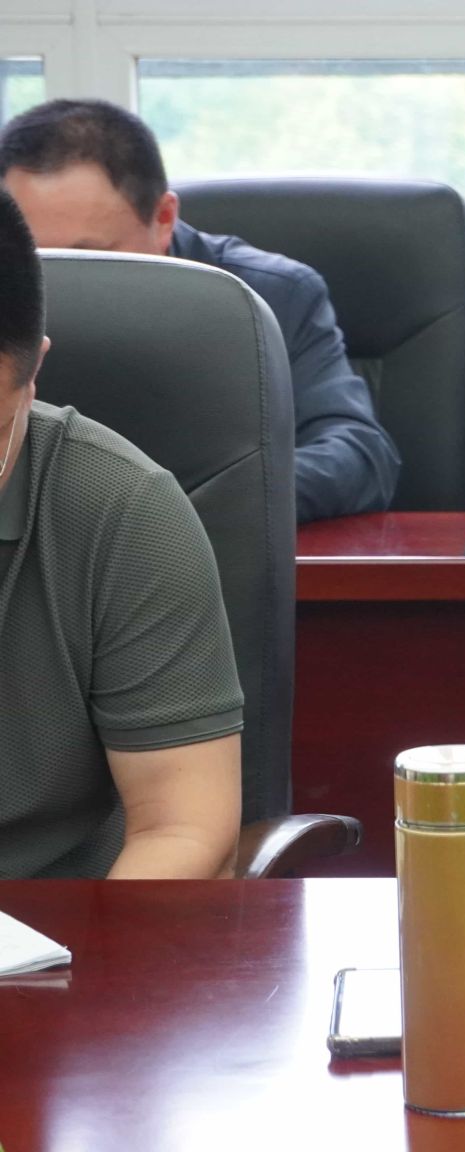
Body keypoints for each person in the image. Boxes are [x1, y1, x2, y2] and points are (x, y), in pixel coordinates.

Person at [0, 99, 400, 523]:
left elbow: (358, 454)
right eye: (38, 256)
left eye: (89, 255)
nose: (56, 283)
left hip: (206, 538)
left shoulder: (269, 295)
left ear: (163, 218)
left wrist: (177, 508)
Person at [0, 188, 243, 879]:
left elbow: (183, 827)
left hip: (57, 930)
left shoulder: (120, 510)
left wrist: (68, 950)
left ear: (34, 374)